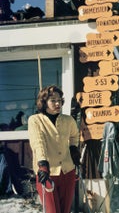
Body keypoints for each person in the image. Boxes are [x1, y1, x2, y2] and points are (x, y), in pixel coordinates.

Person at [28, 85, 80, 213]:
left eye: (60, 100)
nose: (58, 103)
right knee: (53, 211)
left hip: (67, 171)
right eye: (53, 100)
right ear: (44, 102)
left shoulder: (68, 120)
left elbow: (74, 135)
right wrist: (42, 164)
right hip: (47, 173)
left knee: (65, 210)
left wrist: (73, 148)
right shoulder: (35, 120)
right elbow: (38, 143)